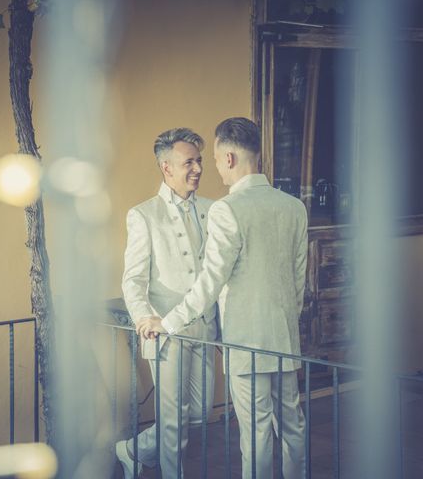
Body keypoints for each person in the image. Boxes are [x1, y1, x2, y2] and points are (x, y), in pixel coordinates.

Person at [137, 118, 307, 479]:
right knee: (294, 427)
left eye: (211, 159)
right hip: (286, 339)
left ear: (228, 158)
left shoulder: (226, 209)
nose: (207, 168)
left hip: (246, 343)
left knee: (257, 433)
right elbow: (298, 282)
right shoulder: (294, 207)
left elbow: (210, 282)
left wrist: (166, 322)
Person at [117, 127, 219, 479]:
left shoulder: (213, 209)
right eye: (189, 162)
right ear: (167, 168)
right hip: (164, 334)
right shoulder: (143, 215)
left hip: (204, 328)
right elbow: (133, 279)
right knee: (173, 421)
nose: (198, 169)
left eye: (200, 161)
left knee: (200, 412)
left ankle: (132, 449)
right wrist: (143, 316)